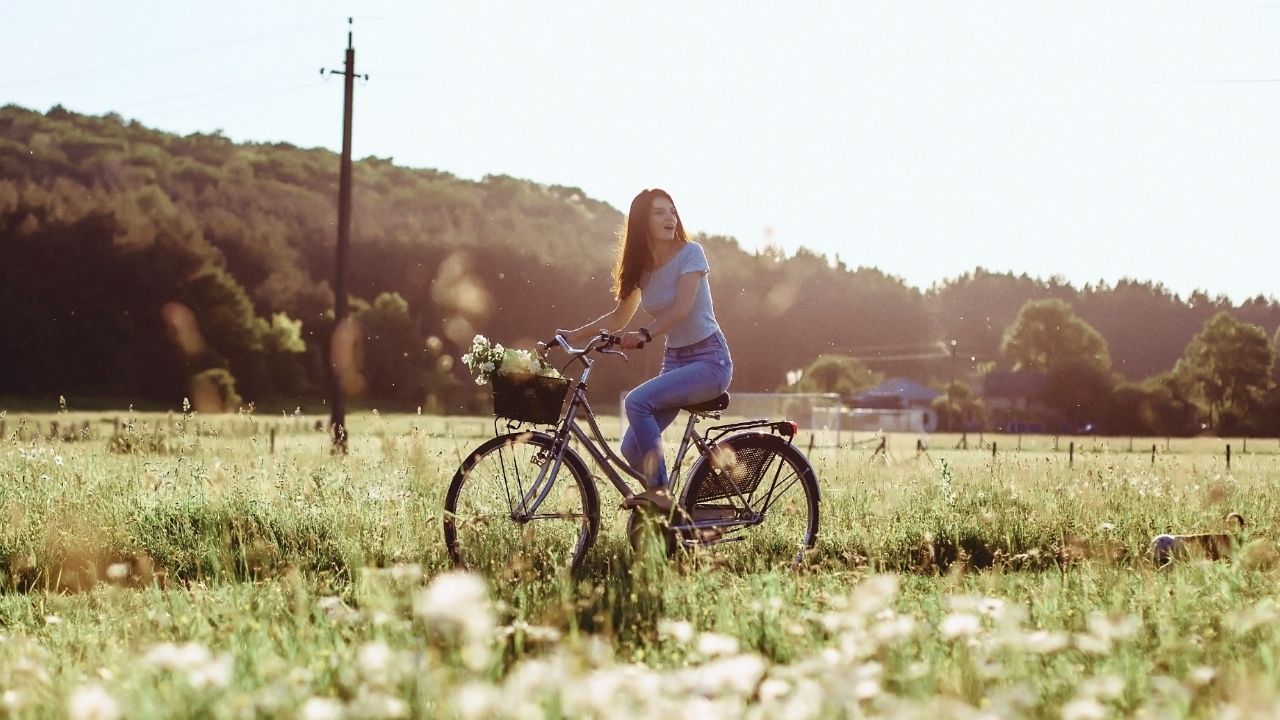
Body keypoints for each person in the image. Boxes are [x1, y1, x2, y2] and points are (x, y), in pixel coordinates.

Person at [556, 188, 732, 510]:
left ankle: (660, 494)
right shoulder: (643, 269)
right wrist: (575, 335)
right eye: (659, 212)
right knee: (632, 450)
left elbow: (681, 309)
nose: (670, 218)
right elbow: (619, 317)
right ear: (642, 222)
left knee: (637, 402)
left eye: (672, 211)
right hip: (676, 362)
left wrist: (645, 334)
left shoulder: (691, 253)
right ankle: (672, 517)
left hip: (709, 360)